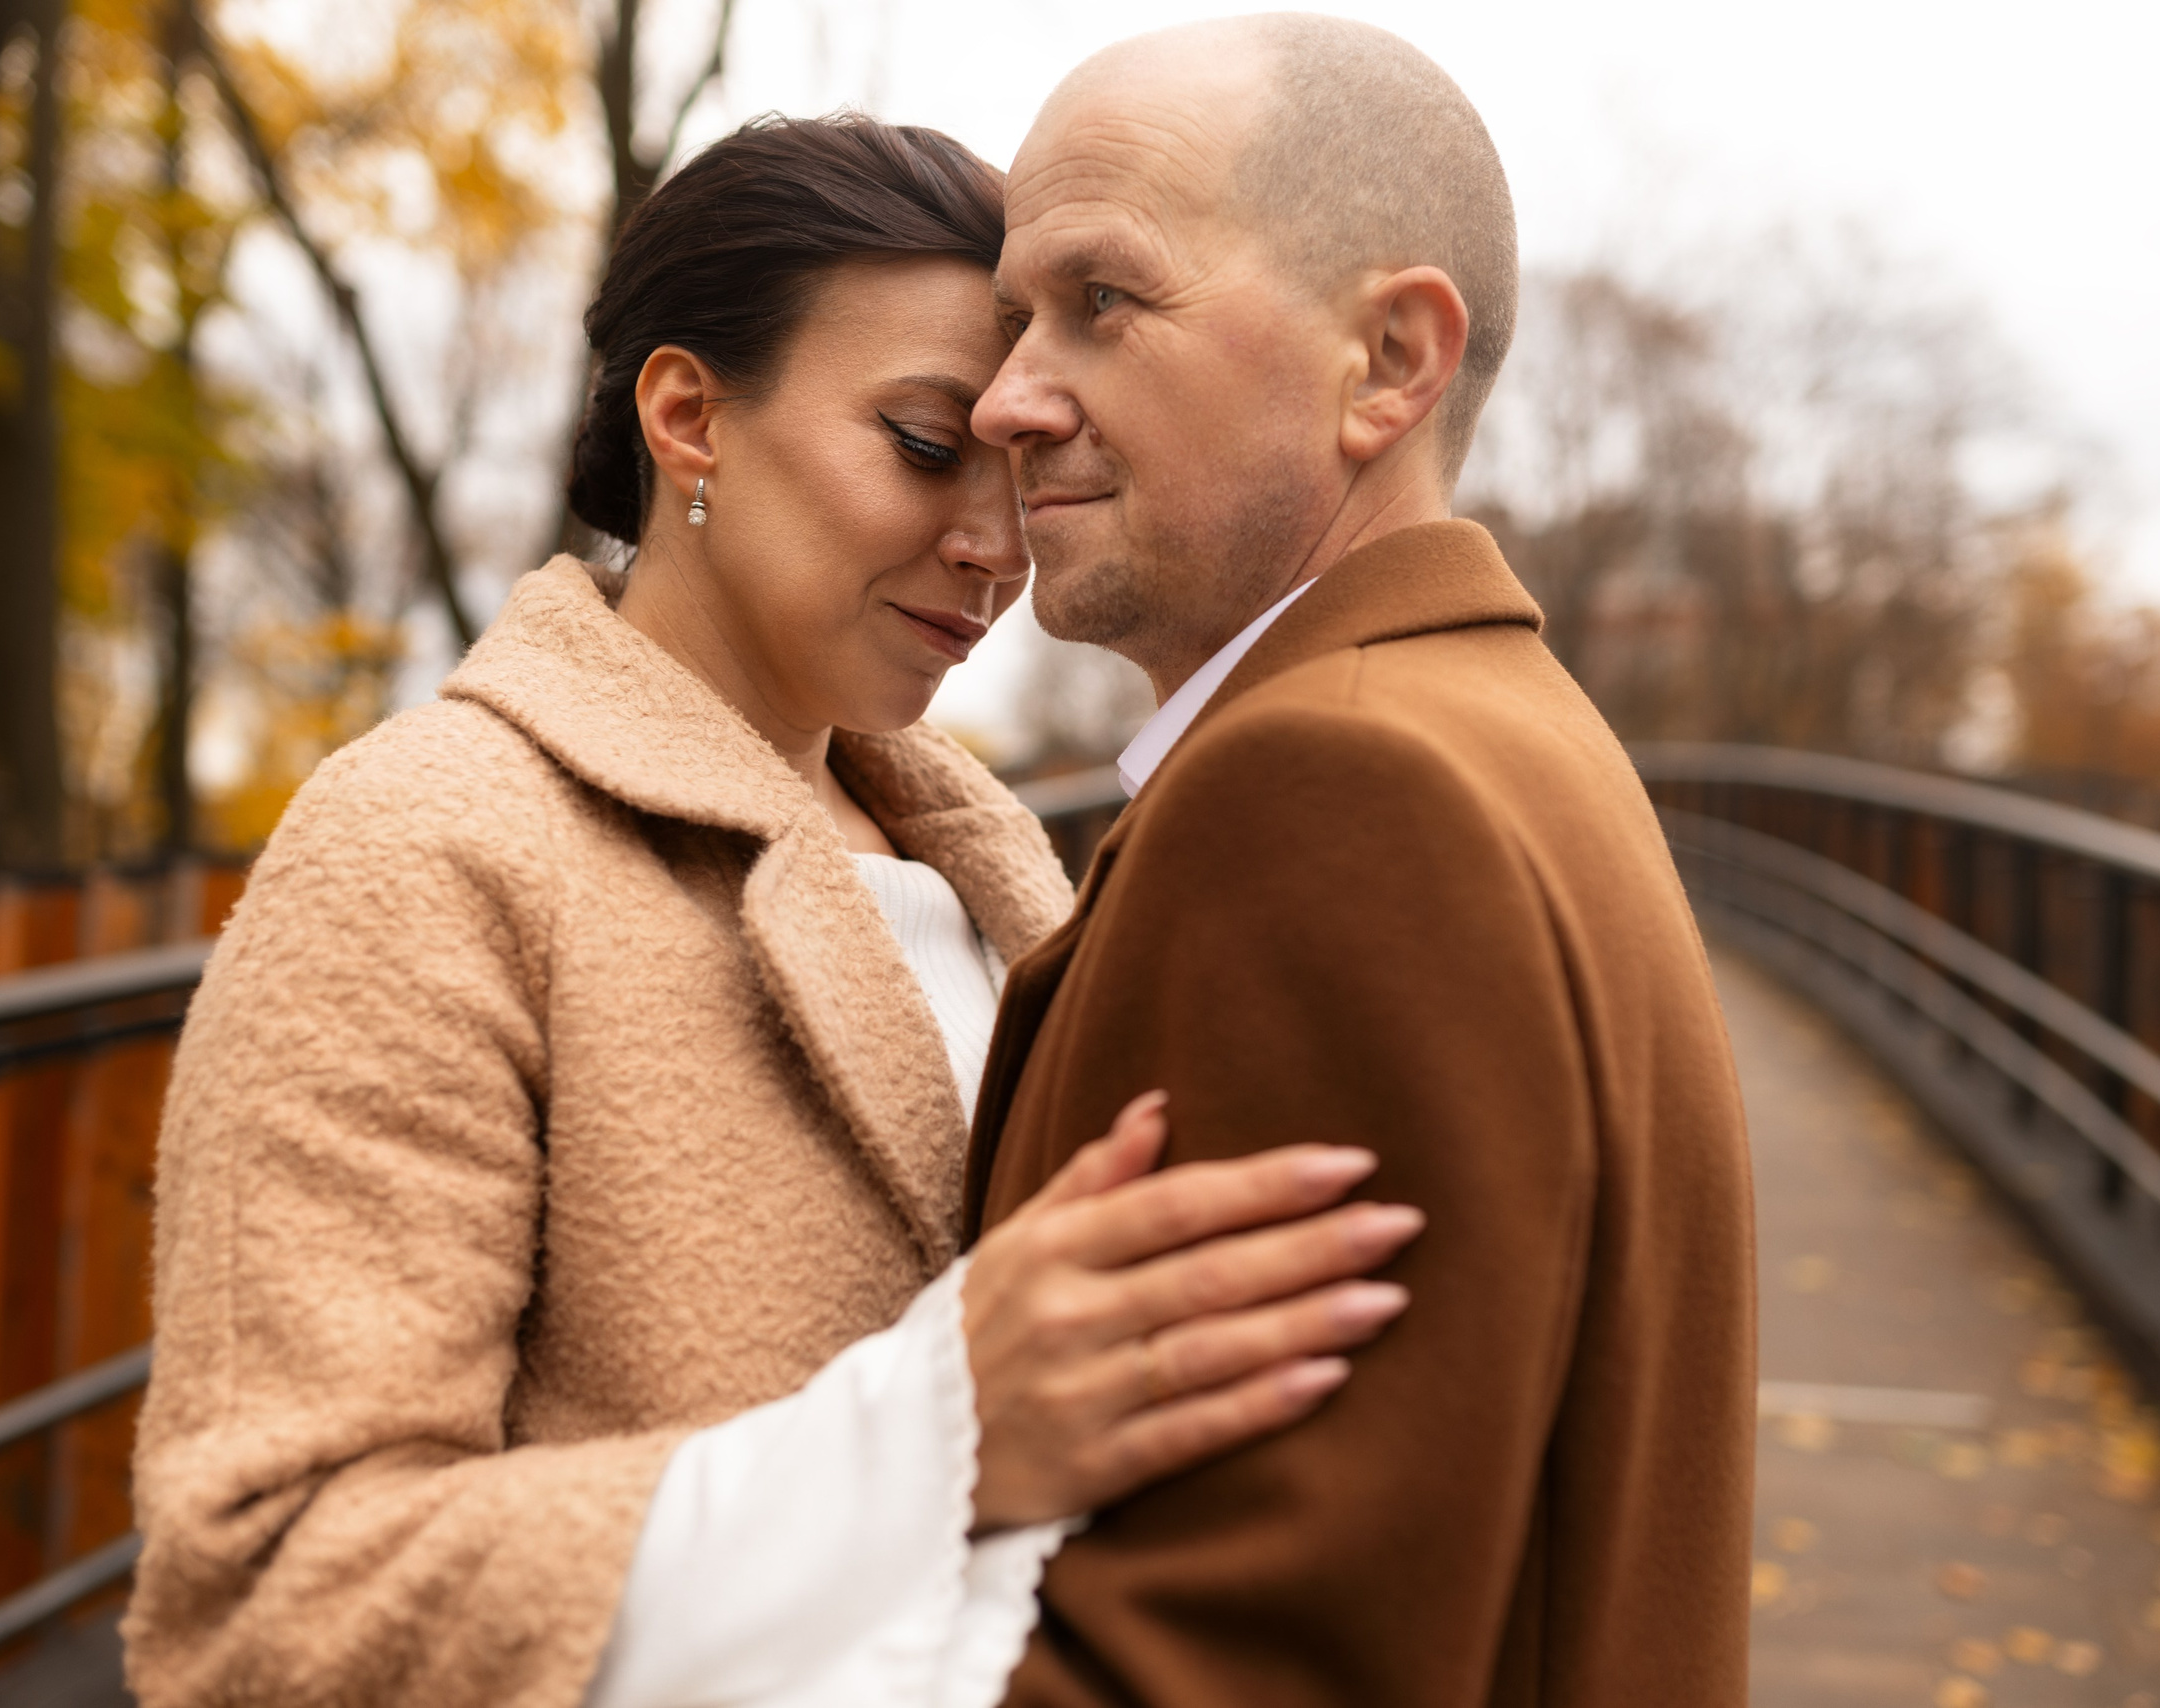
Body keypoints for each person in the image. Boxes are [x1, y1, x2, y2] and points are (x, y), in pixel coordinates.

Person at [123, 115, 1425, 1708]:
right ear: (689, 417)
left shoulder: (994, 857)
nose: (993, 546)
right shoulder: (424, 847)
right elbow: (264, 1603)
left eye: (1020, 473)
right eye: (928, 446)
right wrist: (924, 1444)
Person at [963, 16, 1757, 1707]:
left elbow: (1218, 1665)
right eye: (1012, 317)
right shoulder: (1502, 728)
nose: (1006, 399)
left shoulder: (1333, 795)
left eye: (1100, 300)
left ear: (1391, 361)